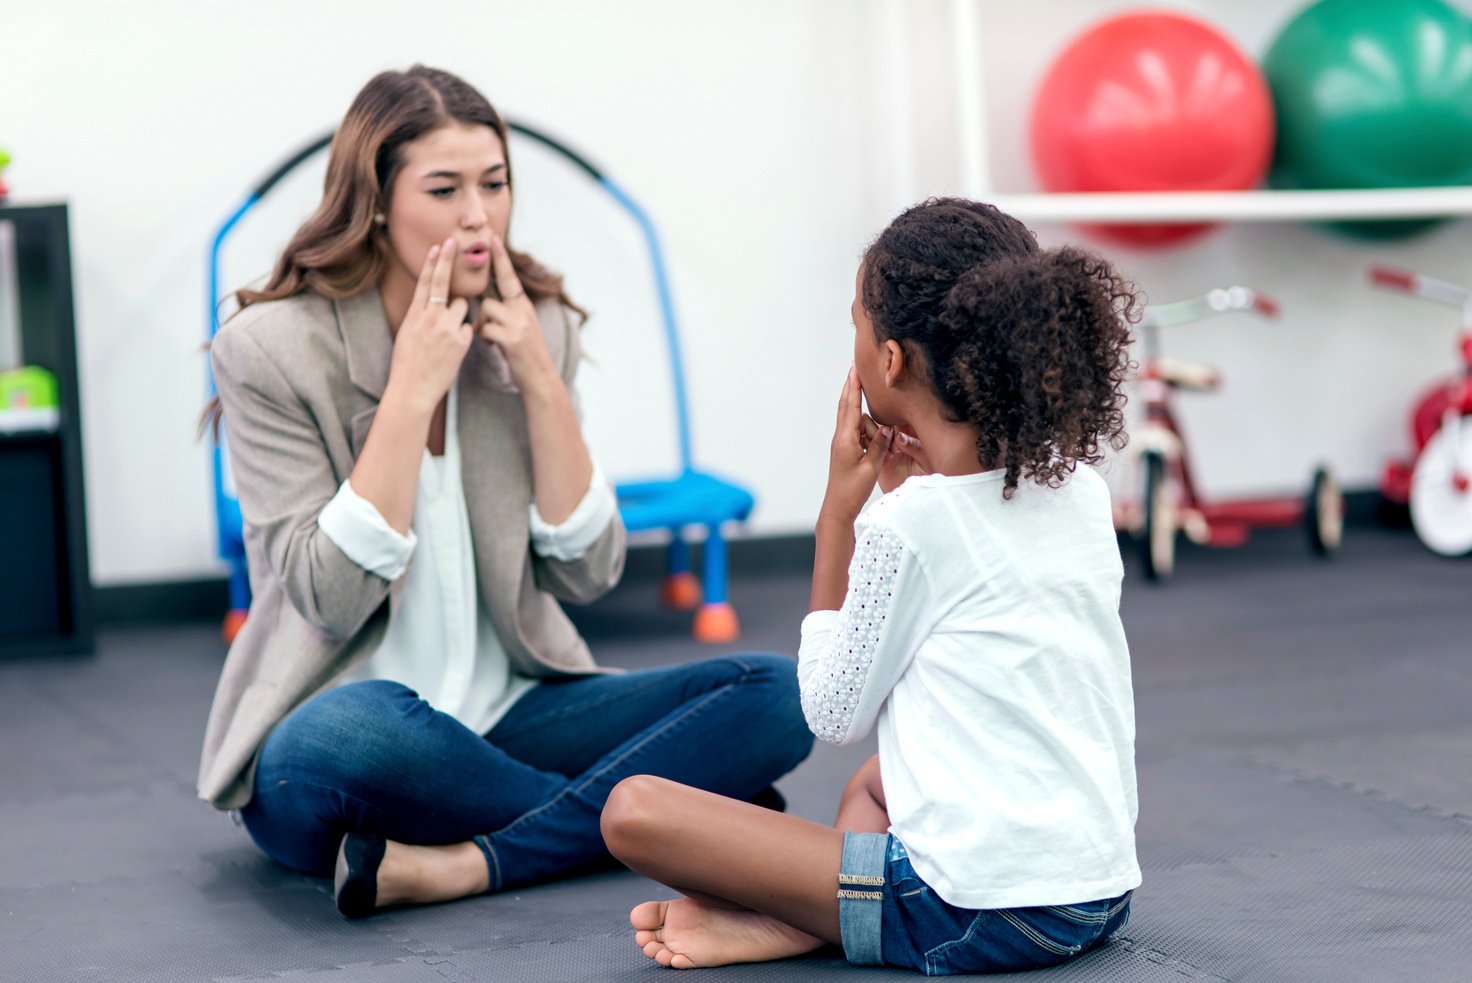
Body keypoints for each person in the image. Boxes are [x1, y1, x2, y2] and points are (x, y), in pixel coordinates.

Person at [196, 65, 812, 919]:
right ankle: (665, 815)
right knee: (352, 732)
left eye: (495, 184)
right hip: (346, 726)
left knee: (778, 693)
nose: (478, 214)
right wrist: (412, 388)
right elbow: (329, 598)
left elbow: (588, 573)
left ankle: (473, 860)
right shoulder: (269, 348)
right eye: (444, 189)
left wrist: (535, 375)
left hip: (510, 710)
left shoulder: (537, 323)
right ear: (375, 201)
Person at [600, 197, 1141, 974]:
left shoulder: (909, 525)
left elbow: (831, 708)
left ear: (888, 361)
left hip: (977, 914)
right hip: (1096, 895)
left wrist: (839, 517)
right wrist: (898, 502)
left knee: (635, 809)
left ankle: (809, 918)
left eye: (855, 322)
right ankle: (816, 915)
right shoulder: (1079, 490)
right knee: (878, 785)